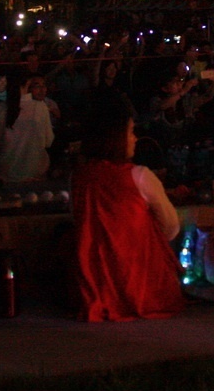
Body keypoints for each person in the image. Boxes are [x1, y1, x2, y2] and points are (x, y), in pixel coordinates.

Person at [71, 95, 184, 322]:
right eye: (130, 132)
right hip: (139, 277)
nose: (135, 138)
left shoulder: (80, 177)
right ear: (114, 138)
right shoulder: (139, 176)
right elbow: (171, 226)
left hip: (96, 279)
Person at [0, 74, 54, 184]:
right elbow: (48, 141)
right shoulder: (40, 107)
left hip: (5, 170)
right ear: (27, 85)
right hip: (34, 169)